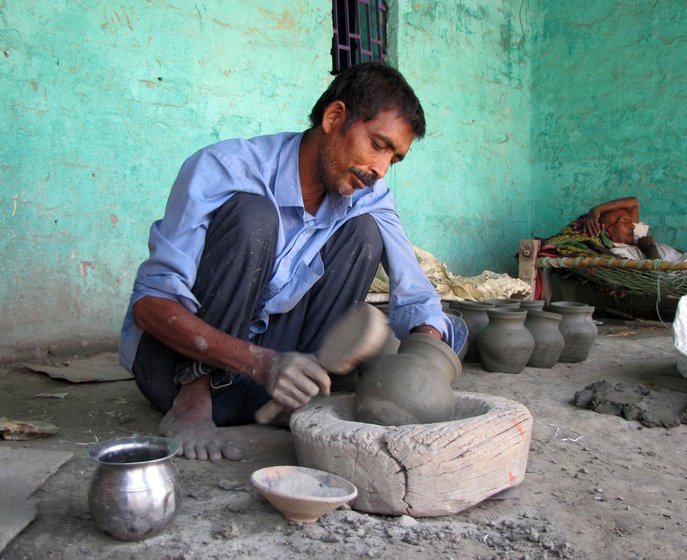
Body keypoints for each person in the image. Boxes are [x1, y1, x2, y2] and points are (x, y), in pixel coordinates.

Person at [119, 62, 466, 462]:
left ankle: (300, 396)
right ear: (334, 117)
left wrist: (427, 342)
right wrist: (260, 362)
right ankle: (193, 400)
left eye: (395, 158)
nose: (380, 169)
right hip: (174, 371)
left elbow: (412, 286)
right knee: (254, 217)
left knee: (364, 233)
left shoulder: (369, 194)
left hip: (275, 379)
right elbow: (150, 306)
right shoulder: (223, 168)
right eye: (377, 144)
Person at [544, 196, 686, 262]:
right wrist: (650, 248)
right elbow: (655, 276)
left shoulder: (635, 237)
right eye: (625, 222)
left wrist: (597, 209)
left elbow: (633, 202)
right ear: (608, 230)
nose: (632, 226)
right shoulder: (618, 254)